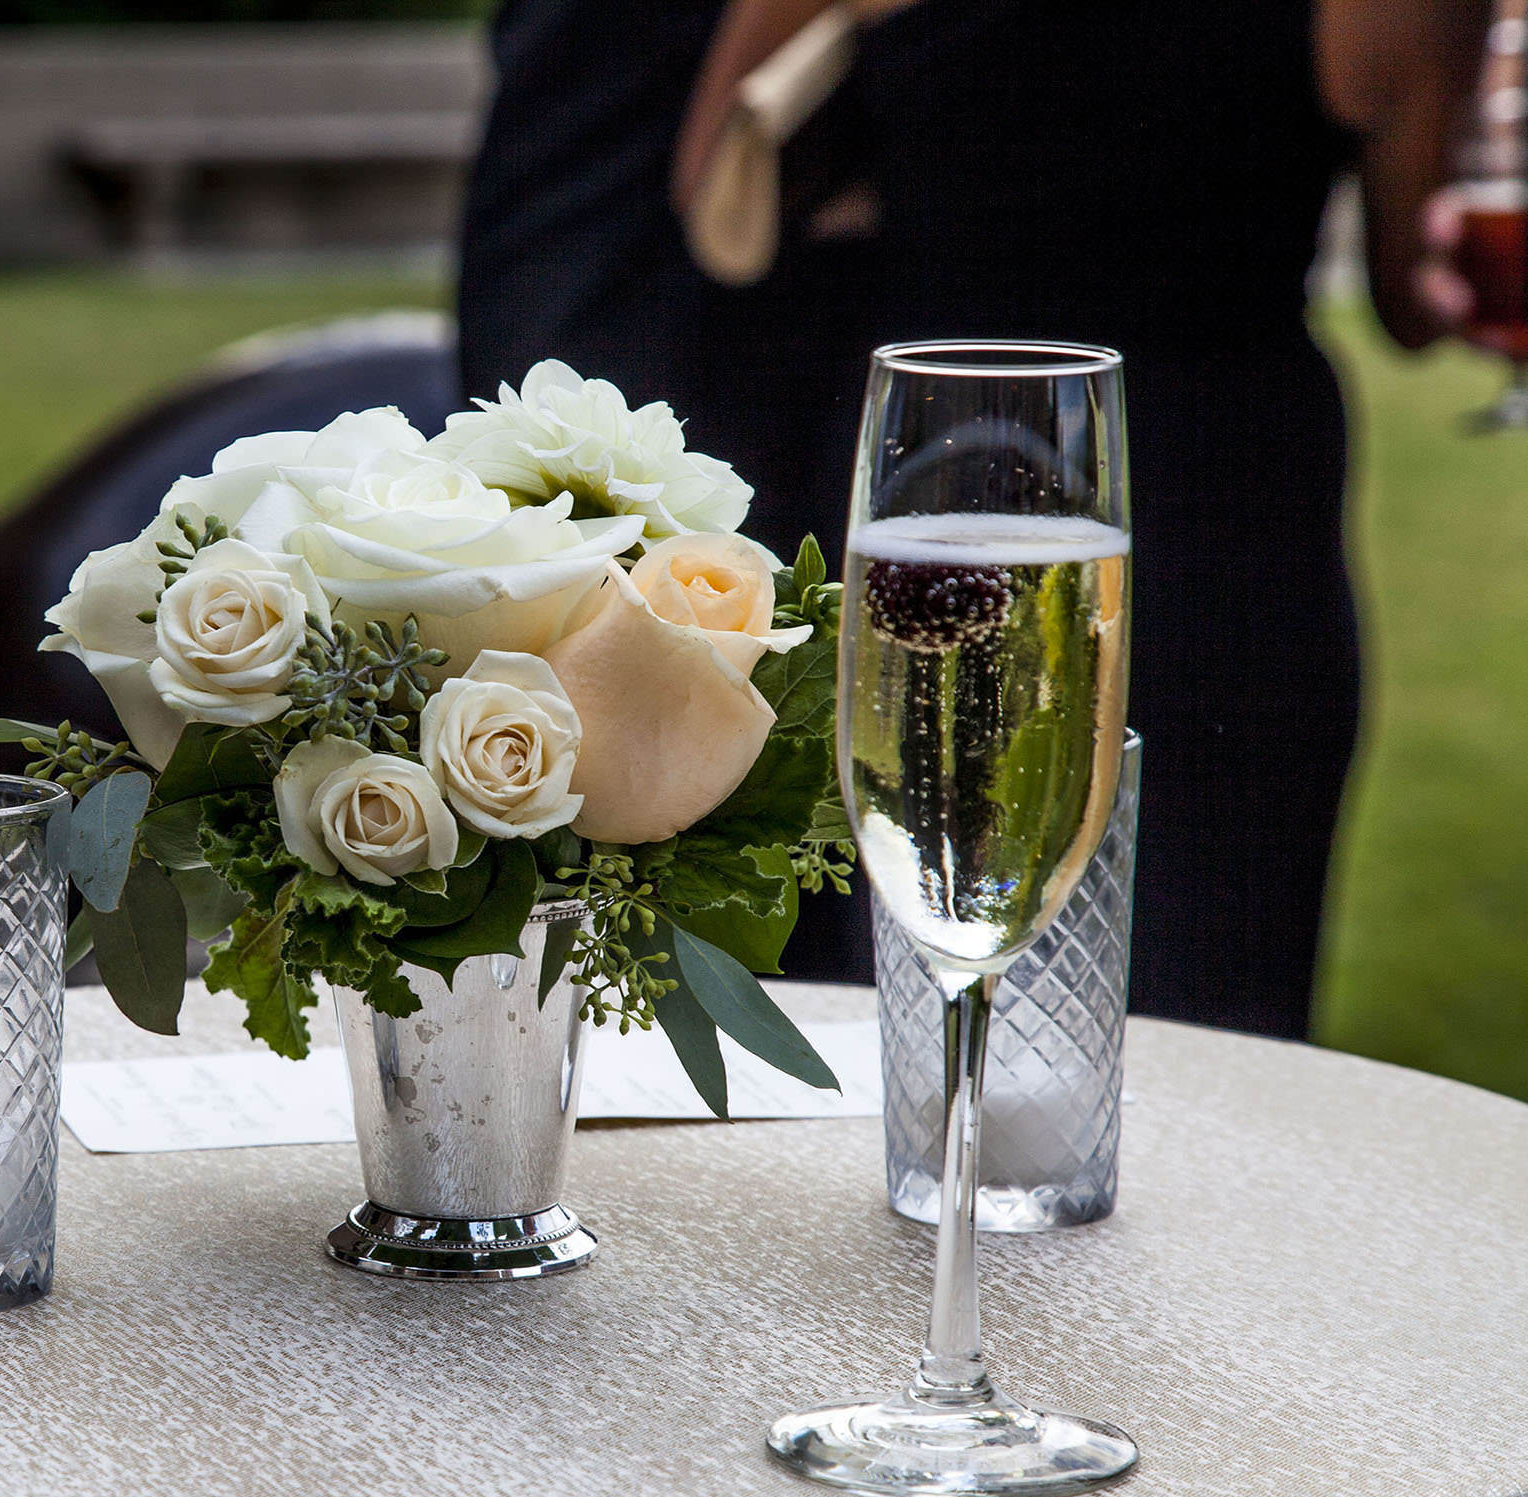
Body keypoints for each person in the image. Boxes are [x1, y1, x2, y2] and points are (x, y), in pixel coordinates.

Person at [458, 0, 1485, 1040]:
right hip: (1216, 488)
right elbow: (1414, 286)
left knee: (926, 937)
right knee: (1212, 983)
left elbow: (723, 186)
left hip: (934, 448)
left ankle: (942, 1172)